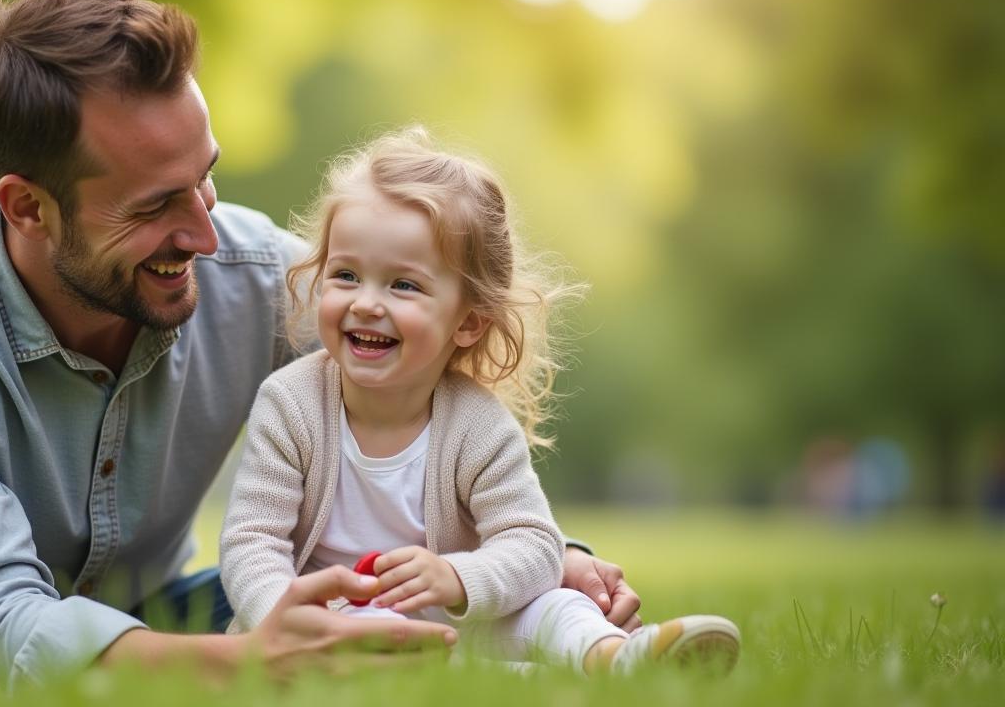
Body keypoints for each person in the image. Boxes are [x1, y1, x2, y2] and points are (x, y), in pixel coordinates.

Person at [0, 0, 643, 687]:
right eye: (157, 204)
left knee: (347, 600)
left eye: (205, 176)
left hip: (162, 619)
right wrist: (252, 664)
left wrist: (533, 558)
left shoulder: (249, 274)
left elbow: (418, 363)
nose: (205, 231)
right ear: (27, 207)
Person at [220, 129, 740, 673]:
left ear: (467, 322)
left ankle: (614, 658)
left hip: (458, 615)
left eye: (403, 286)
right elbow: (252, 541)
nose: (367, 303)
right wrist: (284, 617)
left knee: (559, 604)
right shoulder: (290, 403)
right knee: (375, 635)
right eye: (346, 275)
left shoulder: (475, 423)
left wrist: (456, 578)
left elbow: (536, 544)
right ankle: (513, 677)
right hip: (333, 627)